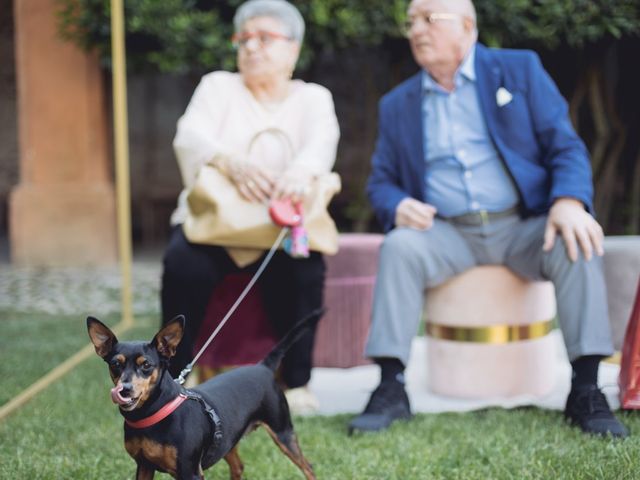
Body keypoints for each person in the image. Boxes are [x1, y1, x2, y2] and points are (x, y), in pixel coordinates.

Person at [349, 0, 628, 437]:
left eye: (428, 19)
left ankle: (586, 388)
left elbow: (566, 147)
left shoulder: (519, 70)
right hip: (447, 232)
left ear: (467, 26)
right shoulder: (397, 104)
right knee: (400, 245)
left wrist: (569, 201)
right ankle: (390, 386)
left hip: (523, 225)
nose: (416, 30)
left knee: (577, 239)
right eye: (411, 22)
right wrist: (397, 204)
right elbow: (381, 183)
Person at [161, 0, 339, 413]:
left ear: (293, 49)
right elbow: (190, 137)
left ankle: (297, 383)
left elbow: (321, 146)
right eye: (243, 39)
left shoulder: (313, 98)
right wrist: (232, 162)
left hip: (277, 228)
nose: (251, 48)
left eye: (265, 38)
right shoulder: (218, 86)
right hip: (214, 225)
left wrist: (300, 172)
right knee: (184, 263)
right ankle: (172, 380)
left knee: (305, 267)